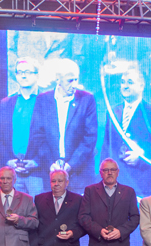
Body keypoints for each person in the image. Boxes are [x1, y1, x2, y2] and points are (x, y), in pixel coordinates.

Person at [28, 58, 99, 191]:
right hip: (52, 172)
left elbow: (90, 137)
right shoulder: (42, 100)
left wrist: (70, 165)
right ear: (58, 79)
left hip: (80, 174)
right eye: (70, 80)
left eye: (76, 79)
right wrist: (51, 164)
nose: (74, 85)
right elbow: (37, 136)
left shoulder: (87, 99)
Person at [101, 63, 151, 198]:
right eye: (122, 82)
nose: (125, 86)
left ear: (141, 86)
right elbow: (106, 146)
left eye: (130, 82)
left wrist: (140, 157)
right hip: (116, 183)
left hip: (141, 183)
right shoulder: (112, 112)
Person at [0, 58, 42, 195]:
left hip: (39, 173)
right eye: (20, 72)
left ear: (37, 74)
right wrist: (8, 161)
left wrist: (37, 162)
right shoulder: (6, 103)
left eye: (28, 72)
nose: (23, 76)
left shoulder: (47, 100)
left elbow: (52, 136)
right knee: (15, 208)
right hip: (13, 172)